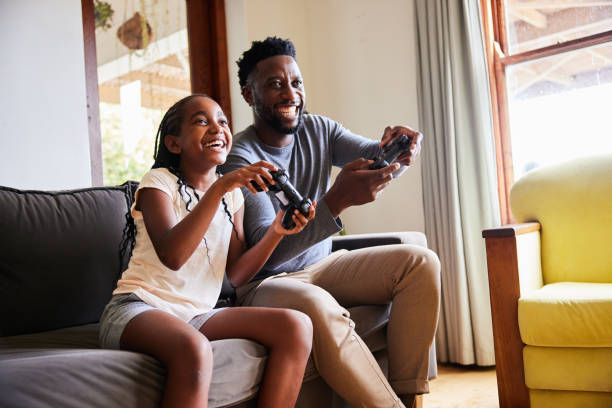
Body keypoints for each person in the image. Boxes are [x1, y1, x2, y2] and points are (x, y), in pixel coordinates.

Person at [220, 37, 441, 408]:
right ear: (248, 94)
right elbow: (266, 254)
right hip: (267, 284)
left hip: (323, 264)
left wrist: (399, 152)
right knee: (317, 303)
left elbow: (375, 160)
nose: (290, 93)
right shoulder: (241, 159)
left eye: (296, 82)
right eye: (275, 84)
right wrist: (336, 201)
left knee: (420, 263)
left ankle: (407, 396)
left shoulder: (318, 129)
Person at [99, 94, 316, 408]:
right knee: (194, 349)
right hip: (138, 308)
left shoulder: (232, 198)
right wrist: (220, 187)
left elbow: (236, 274)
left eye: (222, 121)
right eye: (201, 121)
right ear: (175, 144)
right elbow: (173, 256)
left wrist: (275, 233)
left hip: (196, 314)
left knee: (296, 326)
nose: (217, 128)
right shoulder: (157, 185)